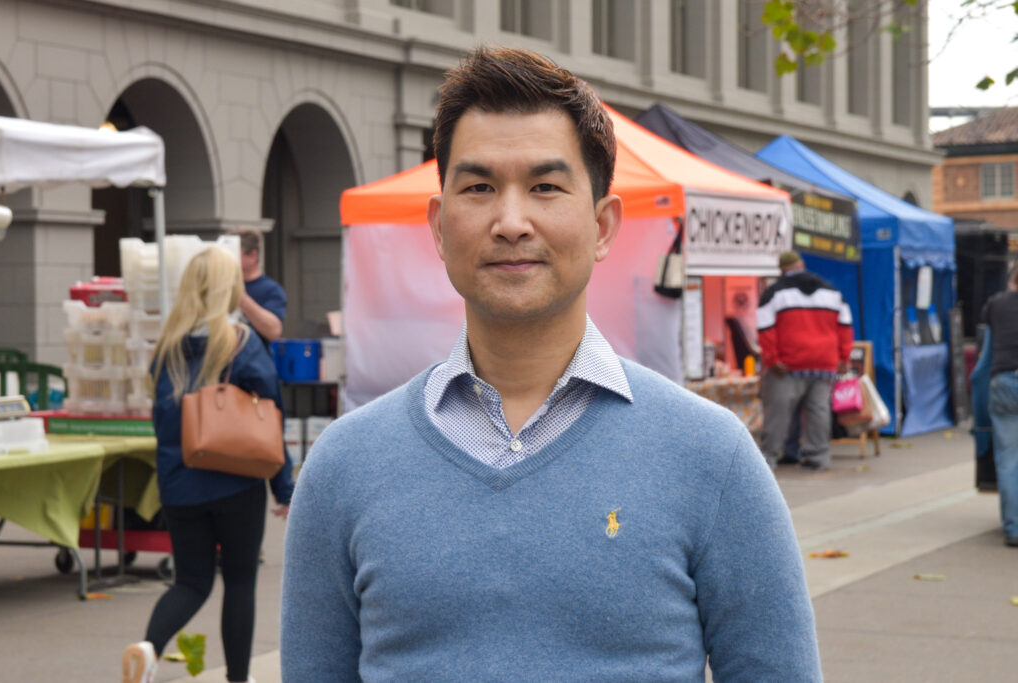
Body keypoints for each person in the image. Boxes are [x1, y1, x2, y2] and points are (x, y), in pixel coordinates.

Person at [281, 47, 820, 681]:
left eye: (545, 187)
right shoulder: (344, 467)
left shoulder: (711, 457)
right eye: (479, 187)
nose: (511, 222)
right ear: (437, 224)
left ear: (602, 225)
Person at [122, 247, 294, 683]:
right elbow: (270, 415)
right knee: (239, 582)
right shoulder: (239, 341)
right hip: (237, 483)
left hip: (181, 485)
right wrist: (283, 486)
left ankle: (148, 649)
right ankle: (238, 678)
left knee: (191, 582)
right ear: (229, 289)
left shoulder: (167, 348)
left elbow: (161, 423)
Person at [757, 251, 853, 471]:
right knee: (818, 410)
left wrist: (772, 359)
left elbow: (765, 329)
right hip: (824, 362)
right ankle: (818, 457)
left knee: (778, 412)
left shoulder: (774, 293)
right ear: (802, 264)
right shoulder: (832, 291)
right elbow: (845, 326)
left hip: (788, 363)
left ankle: (768, 459)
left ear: (781, 270)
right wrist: (844, 357)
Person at [982, 266, 1018, 546]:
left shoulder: (996, 304)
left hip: (1004, 381)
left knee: (1008, 460)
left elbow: (986, 347)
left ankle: (1013, 528)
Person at [228, 228, 286, 345]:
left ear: (253, 256)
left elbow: (274, 331)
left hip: (254, 360)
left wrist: (243, 300)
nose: (229, 258)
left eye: (234, 253)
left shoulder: (271, 290)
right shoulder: (222, 285)